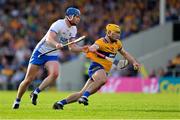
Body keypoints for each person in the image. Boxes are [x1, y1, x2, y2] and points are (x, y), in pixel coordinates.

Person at [12, 7, 87, 109]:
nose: (78, 19)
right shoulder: (59, 24)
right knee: (28, 80)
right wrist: (56, 44)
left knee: (55, 74)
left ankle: (36, 92)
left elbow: (72, 47)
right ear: (70, 16)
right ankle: (17, 100)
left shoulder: (73, 29)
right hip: (40, 52)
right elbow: (49, 38)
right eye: (76, 17)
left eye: (79, 17)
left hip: (52, 54)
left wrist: (82, 49)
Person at [52, 23, 140, 110]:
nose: (118, 35)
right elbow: (94, 46)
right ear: (109, 33)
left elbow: (125, 53)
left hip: (104, 70)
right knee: (103, 79)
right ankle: (85, 97)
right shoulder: (100, 42)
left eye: (119, 33)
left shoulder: (117, 43)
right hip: (96, 66)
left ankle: (60, 103)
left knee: (81, 93)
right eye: (115, 33)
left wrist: (134, 62)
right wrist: (92, 48)